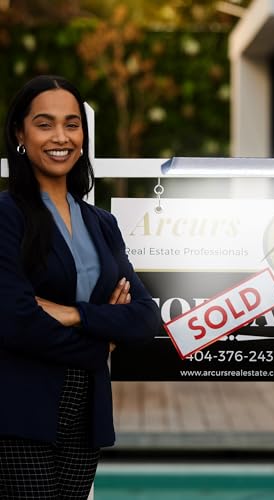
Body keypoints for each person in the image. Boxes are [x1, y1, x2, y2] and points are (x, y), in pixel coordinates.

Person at [0, 75, 161, 499]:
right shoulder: (6, 216)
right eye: (45, 124)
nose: (61, 137)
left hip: (86, 417)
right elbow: (15, 322)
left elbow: (145, 317)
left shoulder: (102, 223)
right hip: (18, 413)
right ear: (19, 134)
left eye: (72, 124)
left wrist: (73, 314)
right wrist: (101, 343)